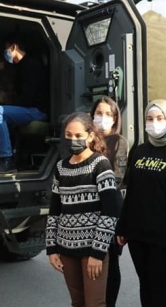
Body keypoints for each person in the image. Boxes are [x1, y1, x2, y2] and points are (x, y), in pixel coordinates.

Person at [116, 99, 166, 307]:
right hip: (137, 234)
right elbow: (131, 192)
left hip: (164, 238)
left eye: (160, 118)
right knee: (145, 284)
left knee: (158, 286)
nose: (154, 123)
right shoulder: (139, 151)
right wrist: (122, 227)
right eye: (149, 118)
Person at [46, 112, 119, 307]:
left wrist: (97, 253)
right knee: (77, 302)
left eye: (78, 135)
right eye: (68, 135)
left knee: (95, 303)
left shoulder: (101, 165)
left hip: (92, 250)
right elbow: (54, 211)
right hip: (66, 249)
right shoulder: (61, 167)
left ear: (90, 136)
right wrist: (51, 249)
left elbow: (110, 213)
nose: (73, 140)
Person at [0, 38, 49, 174]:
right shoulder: (17, 67)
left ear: (14, 47)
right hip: (24, 108)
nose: (5, 53)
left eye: (6, 48)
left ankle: (7, 159)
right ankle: (0, 157)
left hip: (36, 110)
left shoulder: (32, 66)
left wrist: (8, 104)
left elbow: (27, 98)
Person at [90, 96, 128, 307]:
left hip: (109, 209)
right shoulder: (86, 140)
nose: (102, 118)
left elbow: (118, 178)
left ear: (115, 119)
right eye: (99, 113)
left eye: (108, 114)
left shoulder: (119, 142)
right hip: (87, 211)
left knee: (111, 262)